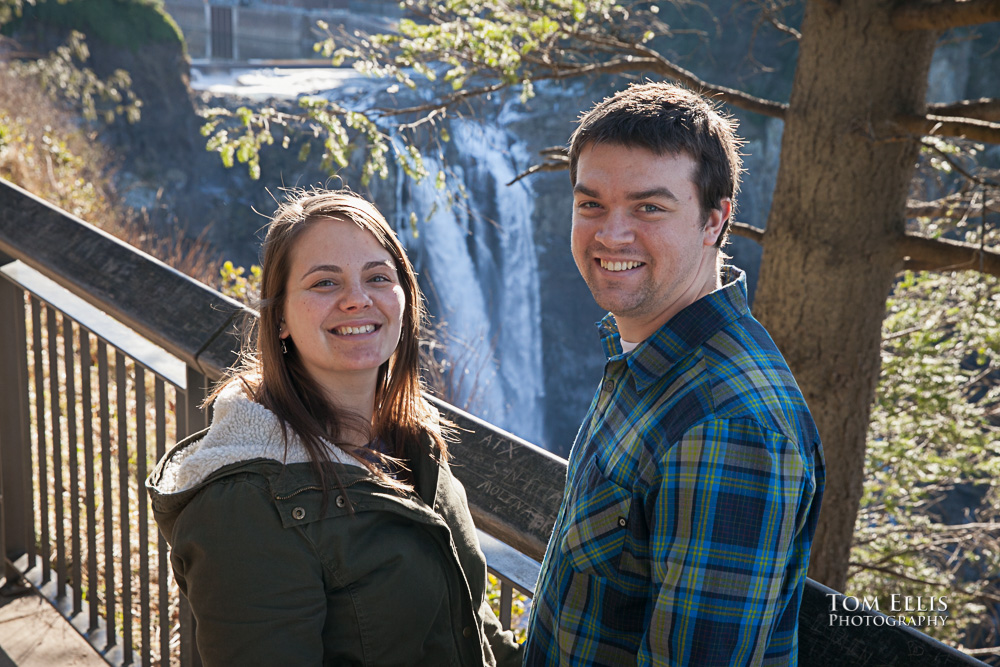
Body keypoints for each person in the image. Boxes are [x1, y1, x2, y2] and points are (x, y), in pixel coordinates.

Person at [147, 188, 521, 666]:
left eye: (378, 277)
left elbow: (468, 621)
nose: (357, 300)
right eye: (325, 283)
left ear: (404, 298)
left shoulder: (410, 441)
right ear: (280, 315)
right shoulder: (244, 503)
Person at [523, 83, 826, 666]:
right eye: (591, 204)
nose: (611, 234)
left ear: (715, 221)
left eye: (649, 207)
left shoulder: (727, 428)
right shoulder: (648, 357)